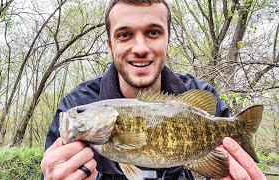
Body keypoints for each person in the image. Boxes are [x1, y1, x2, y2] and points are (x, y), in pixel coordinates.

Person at [41, 0, 267, 179]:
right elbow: (53, 168)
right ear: (110, 45)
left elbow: (222, 166)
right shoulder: (74, 104)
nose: (140, 48)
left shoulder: (203, 96)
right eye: (124, 34)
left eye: (153, 33)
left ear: (168, 40)